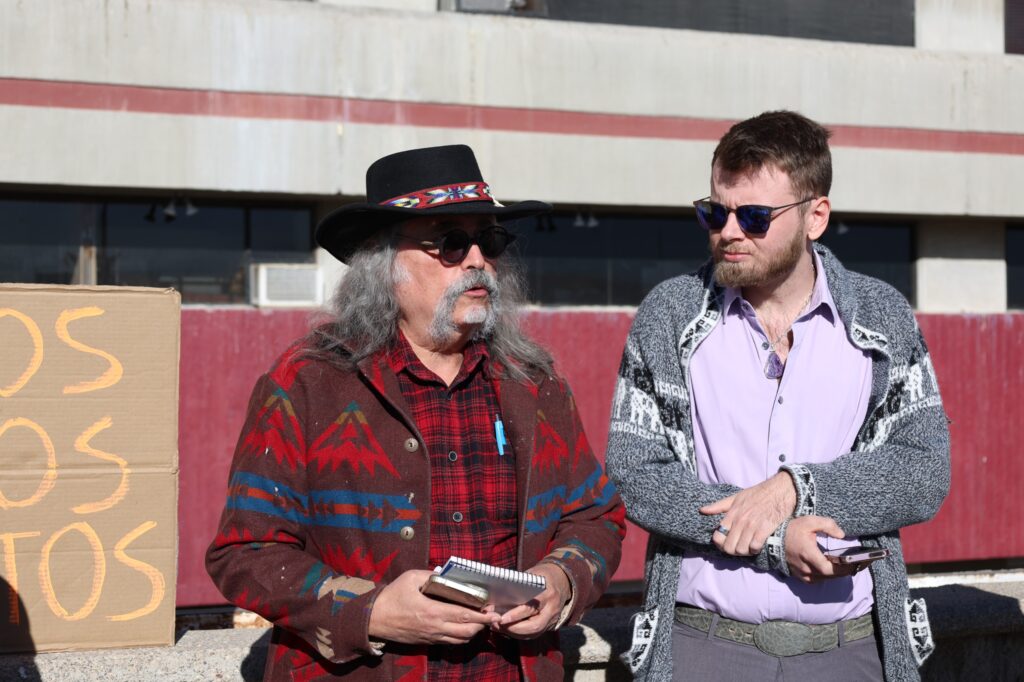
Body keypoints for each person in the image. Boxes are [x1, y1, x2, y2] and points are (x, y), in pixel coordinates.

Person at [206, 144, 625, 682]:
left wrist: (559, 582)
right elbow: (245, 550)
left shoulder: (535, 383)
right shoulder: (308, 381)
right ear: (384, 264)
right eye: (451, 242)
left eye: (490, 240)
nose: (477, 260)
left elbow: (595, 516)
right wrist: (371, 611)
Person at [605, 111, 950, 682]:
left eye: (755, 217)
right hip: (704, 647)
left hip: (852, 650)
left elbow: (924, 470)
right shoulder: (668, 316)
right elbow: (636, 476)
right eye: (714, 212)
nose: (729, 231)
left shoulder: (883, 317)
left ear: (816, 217)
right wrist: (772, 537)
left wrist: (795, 488)